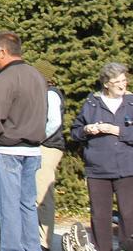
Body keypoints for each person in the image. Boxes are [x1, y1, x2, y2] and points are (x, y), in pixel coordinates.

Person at [0, 31, 47, 251]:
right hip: (33, 150)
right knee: (27, 206)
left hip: (8, 152)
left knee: (8, 210)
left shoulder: (4, 79)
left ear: (2, 51)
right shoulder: (37, 76)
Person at [71, 62, 133, 251]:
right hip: (98, 168)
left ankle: (128, 246)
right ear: (106, 83)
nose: (123, 85)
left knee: (129, 214)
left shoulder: (131, 103)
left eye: (124, 80)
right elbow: (75, 132)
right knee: (100, 215)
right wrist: (86, 130)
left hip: (127, 167)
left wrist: (117, 131)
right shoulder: (91, 104)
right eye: (117, 82)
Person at [33, 59, 65, 251]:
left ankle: (44, 242)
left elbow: (53, 123)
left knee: (43, 194)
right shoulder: (44, 93)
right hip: (44, 145)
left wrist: (36, 138)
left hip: (47, 147)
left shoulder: (51, 95)